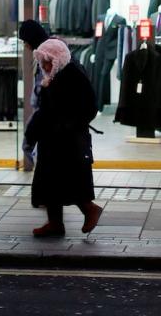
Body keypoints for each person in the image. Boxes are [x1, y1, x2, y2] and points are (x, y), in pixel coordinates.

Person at [24, 37, 103, 237]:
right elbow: (45, 110)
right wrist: (32, 133)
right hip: (53, 140)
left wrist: (68, 125)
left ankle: (89, 209)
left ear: (58, 57)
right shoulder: (53, 77)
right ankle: (55, 223)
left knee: (69, 180)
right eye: (43, 61)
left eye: (48, 60)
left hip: (69, 141)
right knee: (51, 182)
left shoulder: (73, 74)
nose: (45, 65)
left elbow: (90, 107)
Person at [19, 19, 50, 170]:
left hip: (47, 117)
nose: (25, 45)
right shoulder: (43, 55)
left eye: (26, 41)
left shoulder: (48, 57)